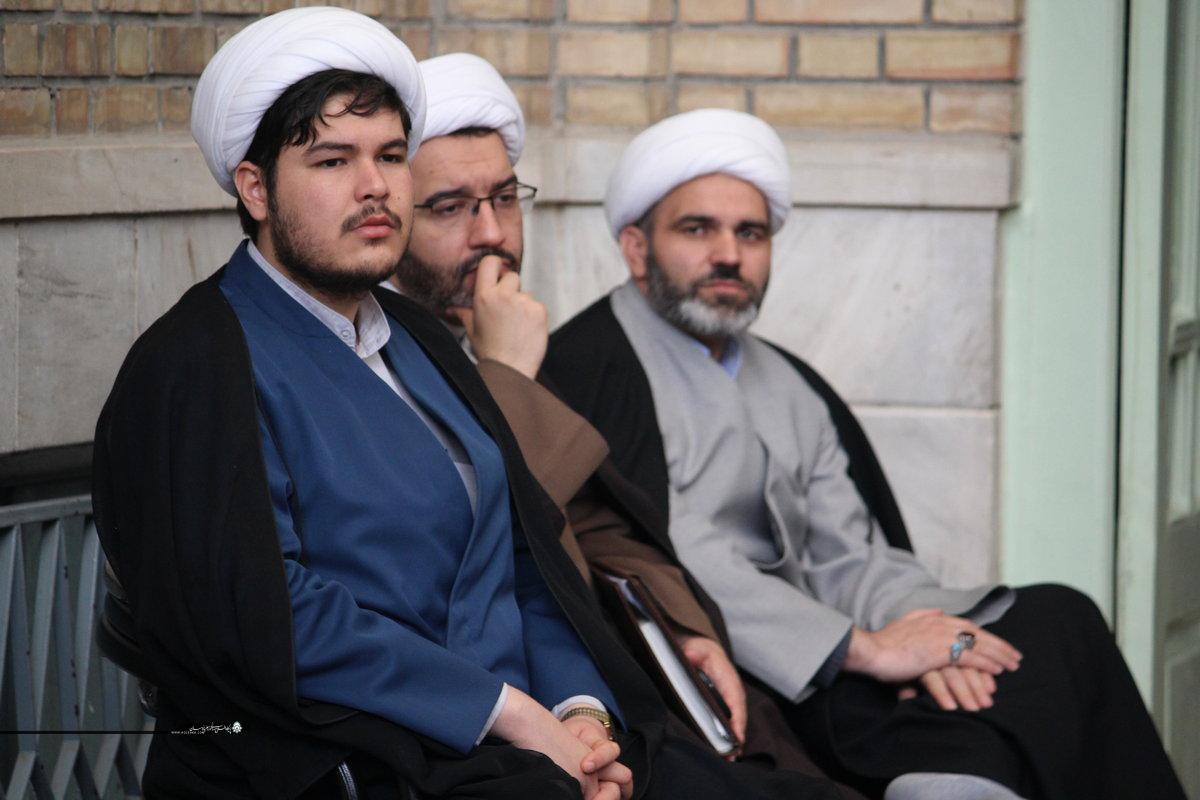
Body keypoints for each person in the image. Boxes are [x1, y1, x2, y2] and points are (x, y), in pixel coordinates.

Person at [92, 11, 840, 799]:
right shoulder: (197, 364)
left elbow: (527, 560)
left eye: (391, 156)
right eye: (333, 160)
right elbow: (270, 612)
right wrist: (509, 714)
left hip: (526, 742)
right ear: (255, 188)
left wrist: (583, 715)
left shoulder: (417, 336)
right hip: (370, 757)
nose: (375, 185)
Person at [541, 108, 1187, 800]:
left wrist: (931, 631)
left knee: (1061, 621)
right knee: (993, 733)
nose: (728, 254)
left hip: (845, 642)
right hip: (756, 670)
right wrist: (866, 650)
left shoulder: (786, 379)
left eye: (750, 233)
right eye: (697, 229)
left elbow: (849, 551)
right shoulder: (592, 369)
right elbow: (673, 560)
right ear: (636, 247)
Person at [393, 52, 868, 799]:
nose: (490, 234)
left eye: (505, 199)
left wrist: (679, 626)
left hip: (599, 683)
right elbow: (465, 547)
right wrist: (508, 373)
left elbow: (591, 518)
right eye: (450, 207)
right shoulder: (388, 356)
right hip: (481, 722)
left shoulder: (484, 335)